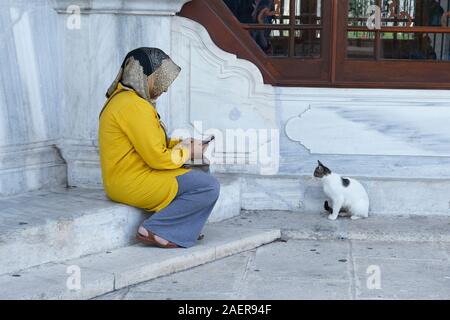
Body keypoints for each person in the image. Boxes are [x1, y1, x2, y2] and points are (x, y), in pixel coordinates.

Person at [98, 48, 220, 249]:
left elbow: (152, 143)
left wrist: (185, 144)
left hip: (133, 176)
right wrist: (188, 151)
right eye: (161, 80)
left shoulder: (129, 101)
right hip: (130, 181)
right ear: (145, 76)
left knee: (199, 166)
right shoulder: (132, 105)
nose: (164, 89)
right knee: (208, 186)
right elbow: (157, 158)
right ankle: (157, 229)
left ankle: (180, 227)